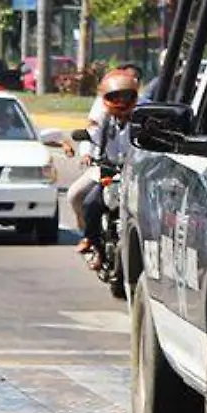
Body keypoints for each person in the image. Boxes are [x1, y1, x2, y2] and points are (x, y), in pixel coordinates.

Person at [75, 69, 138, 267]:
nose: (120, 101)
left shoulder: (142, 120)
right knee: (89, 203)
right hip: (108, 172)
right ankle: (92, 242)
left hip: (135, 174)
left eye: (126, 96)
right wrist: (86, 153)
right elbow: (90, 135)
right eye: (115, 96)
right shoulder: (102, 118)